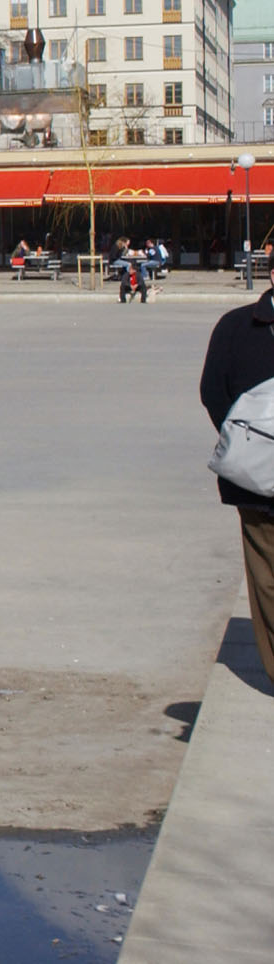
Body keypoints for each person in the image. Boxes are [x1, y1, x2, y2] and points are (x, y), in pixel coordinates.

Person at [199, 284, 274, 680]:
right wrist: (251, 447)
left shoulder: (236, 325)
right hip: (258, 485)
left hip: (253, 474)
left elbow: (214, 393)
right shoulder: (236, 326)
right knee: (267, 579)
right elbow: (212, 391)